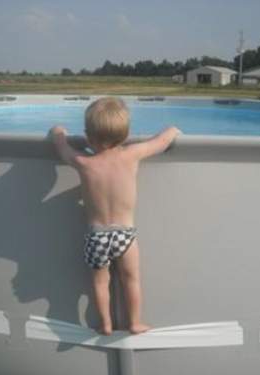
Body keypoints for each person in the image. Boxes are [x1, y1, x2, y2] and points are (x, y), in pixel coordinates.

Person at [49, 96, 181, 335]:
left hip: (97, 236)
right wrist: (172, 130)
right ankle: (135, 322)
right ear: (126, 134)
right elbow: (161, 142)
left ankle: (105, 324)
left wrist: (58, 132)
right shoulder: (132, 154)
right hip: (125, 235)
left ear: (88, 136)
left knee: (100, 282)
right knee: (131, 279)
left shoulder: (84, 162)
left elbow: (62, 148)